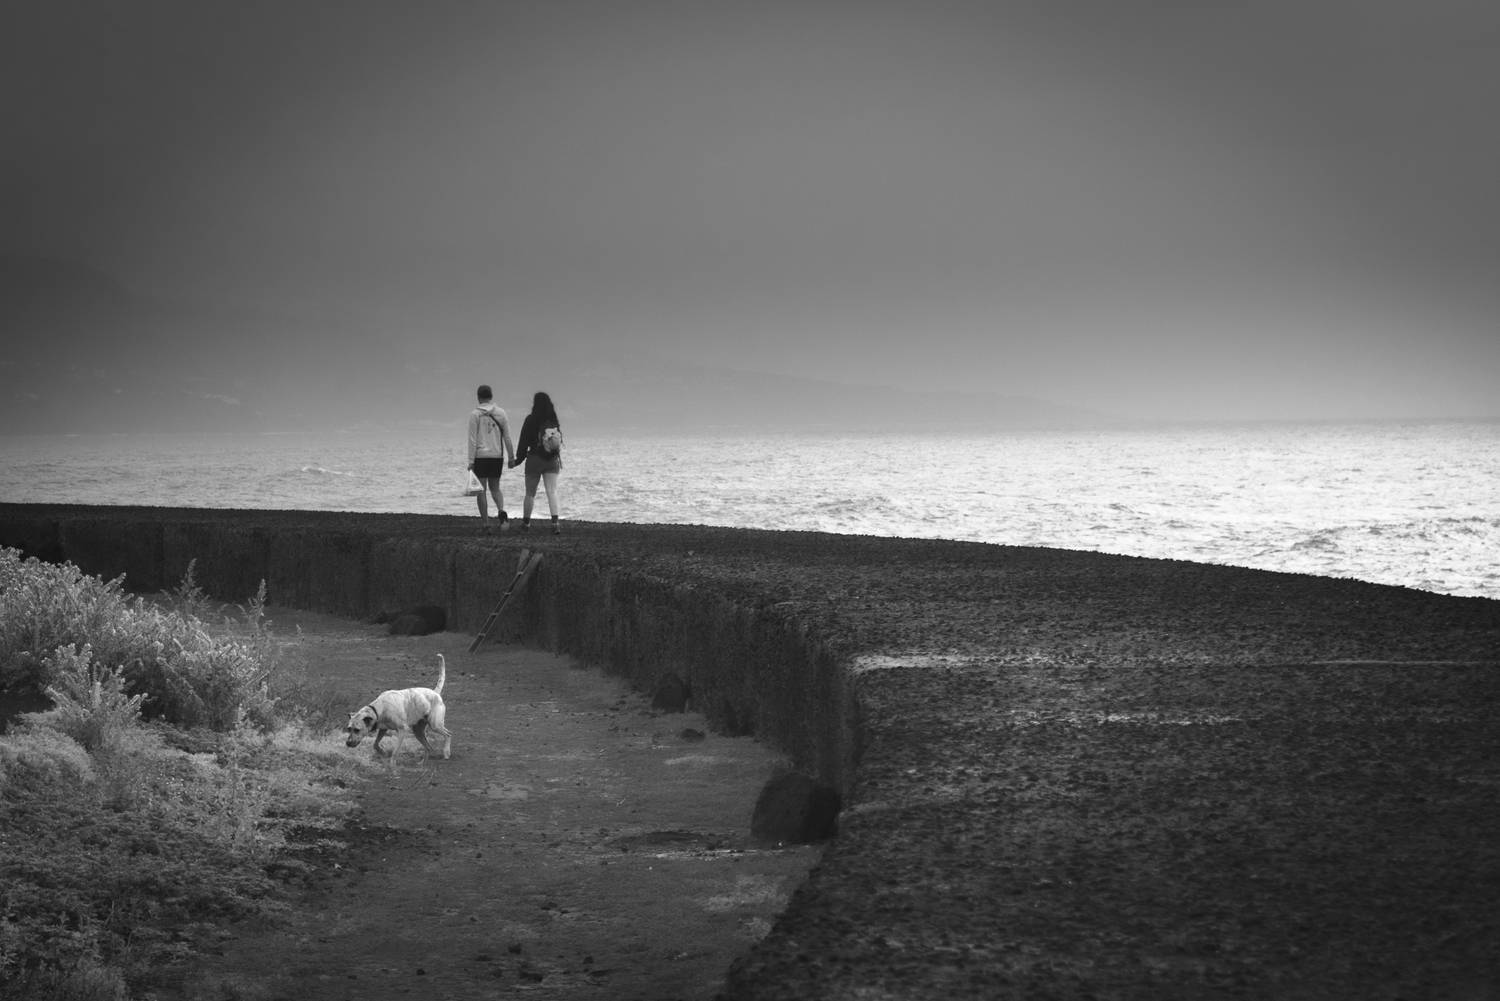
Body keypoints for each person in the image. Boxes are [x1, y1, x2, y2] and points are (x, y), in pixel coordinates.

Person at [509, 391, 563, 535]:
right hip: (552, 460)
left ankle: (526, 524)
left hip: (534, 460)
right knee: (552, 491)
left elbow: (523, 442)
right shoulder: (553, 420)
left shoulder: (530, 419)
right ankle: (555, 524)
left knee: (530, 493)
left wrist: (517, 460)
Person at [467, 384, 515, 532]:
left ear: (478, 397)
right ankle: (501, 511)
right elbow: (507, 437)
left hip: (481, 456)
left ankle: (486, 523)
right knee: (495, 488)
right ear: (491, 396)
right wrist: (511, 456)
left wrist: (471, 461)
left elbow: (472, 440)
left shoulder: (475, 414)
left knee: (481, 491)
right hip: (497, 456)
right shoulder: (501, 413)